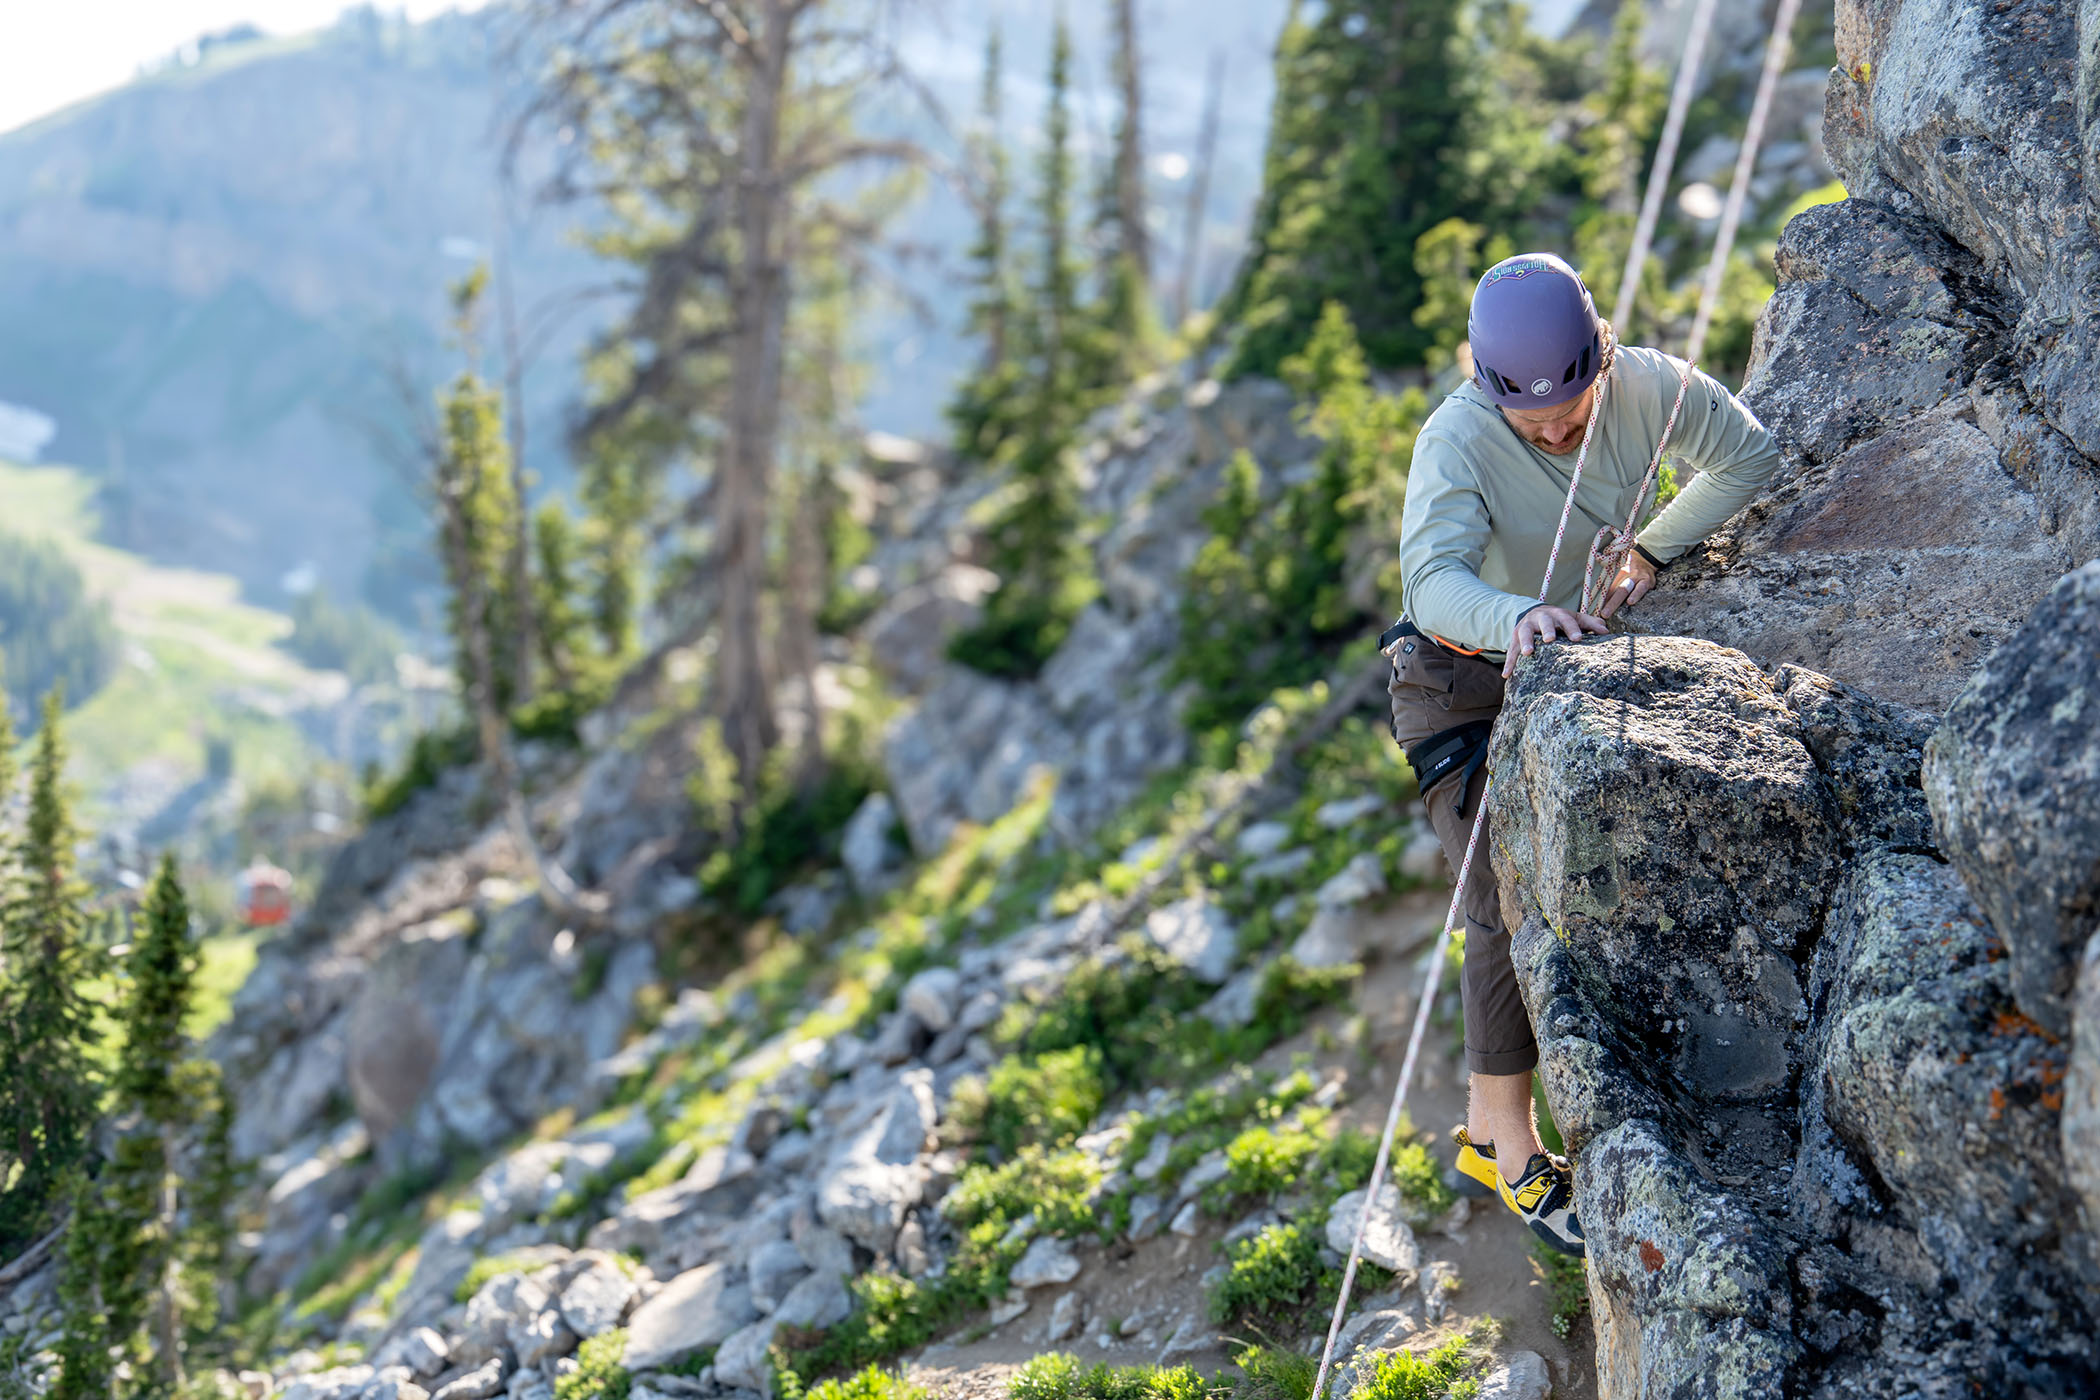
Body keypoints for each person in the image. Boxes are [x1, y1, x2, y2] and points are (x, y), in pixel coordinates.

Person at [1388, 252, 1781, 1257]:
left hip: (1572, 655)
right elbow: (1431, 582)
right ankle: (1508, 1149)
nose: (1562, 431)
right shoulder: (1458, 440)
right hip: (1458, 680)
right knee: (1498, 890)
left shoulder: (1648, 384)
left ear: (1600, 353)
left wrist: (1653, 546)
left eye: (1575, 408)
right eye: (1540, 425)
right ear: (1488, 387)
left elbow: (1748, 457)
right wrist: (1518, 614)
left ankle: (1542, 1105)